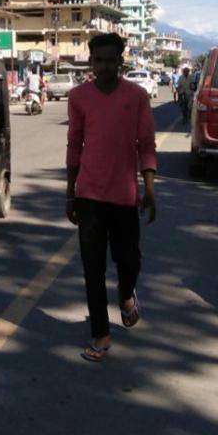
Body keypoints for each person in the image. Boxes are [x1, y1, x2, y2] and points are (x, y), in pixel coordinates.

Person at [66, 33, 157, 363]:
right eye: (98, 60)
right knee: (93, 268)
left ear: (121, 61)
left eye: (110, 60)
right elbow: (74, 145)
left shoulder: (137, 97)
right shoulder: (78, 97)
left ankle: (126, 297)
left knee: (129, 260)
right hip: (89, 195)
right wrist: (69, 193)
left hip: (124, 197)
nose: (104, 67)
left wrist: (149, 188)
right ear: (91, 62)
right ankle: (101, 334)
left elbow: (146, 144)